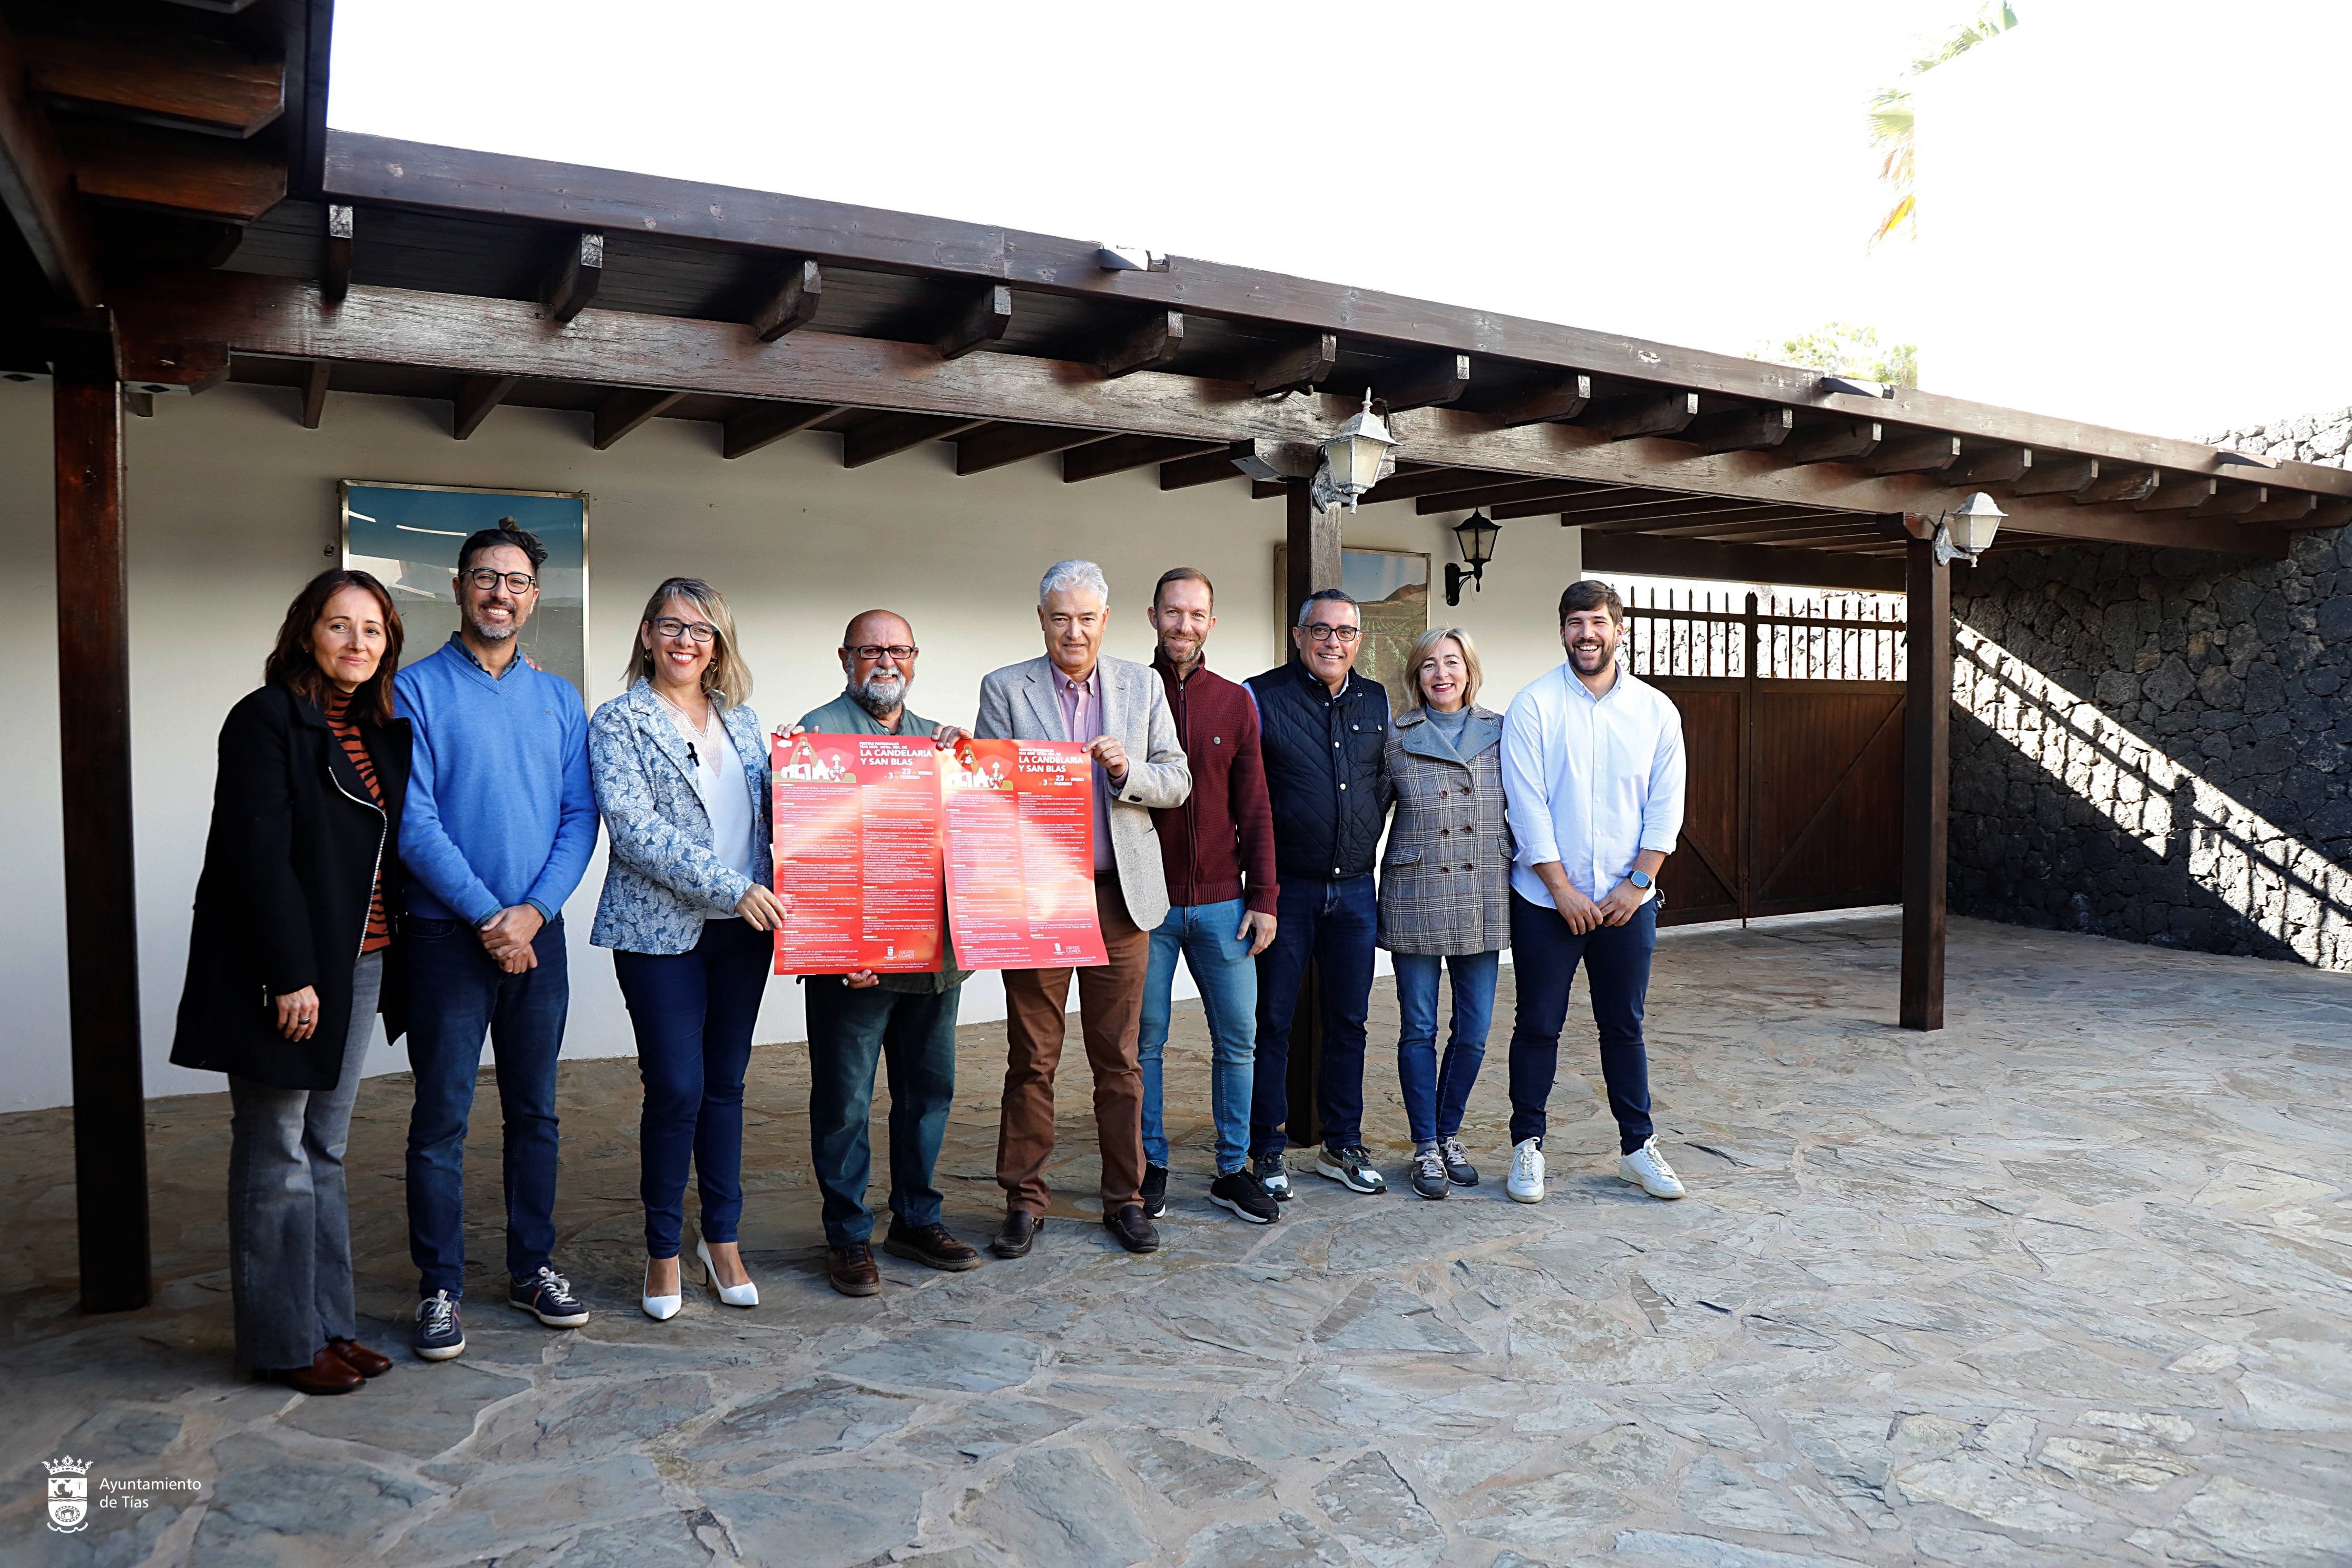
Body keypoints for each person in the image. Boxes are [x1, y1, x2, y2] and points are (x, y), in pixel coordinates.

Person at [171, 570, 411, 1394]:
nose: (357, 644)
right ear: (307, 631)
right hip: (294, 974)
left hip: (364, 964)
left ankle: (328, 1325)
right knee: (275, 1151)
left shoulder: (378, 729)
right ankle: (281, 1343)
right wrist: (290, 974)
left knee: (324, 1151)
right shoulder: (266, 718)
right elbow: (256, 854)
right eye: (340, 626)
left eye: (373, 630)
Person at [395, 520, 599, 1360]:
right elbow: (413, 822)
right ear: (458, 588)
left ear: (534, 597)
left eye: (516, 581)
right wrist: (491, 918)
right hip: (447, 940)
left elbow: (580, 815)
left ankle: (531, 1268)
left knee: (535, 1114)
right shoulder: (413, 690)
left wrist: (535, 915)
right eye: (486, 578)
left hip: (536, 940)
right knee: (441, 1119)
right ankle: (438, 1286)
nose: (500, 594)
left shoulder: (558, 699)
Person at [975, 560, 1190, 1258]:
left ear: (1106, 620)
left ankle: (1125, 1201)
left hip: (1119, 896)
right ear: (1042, 619)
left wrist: (1127, 770)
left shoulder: (1143, 684)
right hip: (1039, 897)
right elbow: (985, 791)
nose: (1074, 630)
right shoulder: (1006, 688)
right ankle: (1023, 1202)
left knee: (1119, 1060)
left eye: (1087, 617)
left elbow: (1177, 780)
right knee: (1032, 1059)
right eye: (1061, 616)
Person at [587, 578, 780, 1321]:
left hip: (743, 933)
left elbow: (787, 811)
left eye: (702, 631)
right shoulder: (619, 722)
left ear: (719, 646)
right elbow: (635, 833)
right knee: (676, 1088)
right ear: (645, 634)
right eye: (670, 626)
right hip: (659, 932)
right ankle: (663, 1248)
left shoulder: (749, 723)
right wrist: (730, 886)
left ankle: (721, 1239)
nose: (684, 641)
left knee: (725, 1085)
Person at [791, 611, 983, 1298]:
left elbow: (972, 838)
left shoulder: (940, 741)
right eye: (870, 649)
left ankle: (916, 1219)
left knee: (928, 1092)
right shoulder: (813, 739)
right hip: (855, 961)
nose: (885, 660)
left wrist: (973, 767)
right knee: (846, 1100)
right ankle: (847, 1235)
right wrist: (837, 940)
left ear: (915, 658)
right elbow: (803, 852)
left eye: (897, 649)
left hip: (934, 957)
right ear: (845, 657)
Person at [1499, 579, 1687, 1206]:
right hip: (1546, 904)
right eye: (1577, 622)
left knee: (1624, 1027)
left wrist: (1637, 884)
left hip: (1626, 903)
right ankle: (1528, 1146)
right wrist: (1562, 890)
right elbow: (1525, 806)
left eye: (1599, 621)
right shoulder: (1534, 706)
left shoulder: (1657, 711)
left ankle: (1638, 1148)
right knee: (1538, 1026)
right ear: (1562, 631)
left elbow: (1666, 806)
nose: (1588, 633)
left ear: (1619, 629)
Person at [1135, 568, 1281, 1224]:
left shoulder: (1234, 701)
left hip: (1225, 903)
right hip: (1145, 905)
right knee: (1145, 1042)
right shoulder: (1127, 695)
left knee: (1239, 1038)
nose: (1184, 626)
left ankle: (1231, 1169)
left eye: (1196, 615)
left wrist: (1265, 895)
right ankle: (1149, 1164)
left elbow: (1255, 806)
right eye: (1173, 613)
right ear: (1153, 617)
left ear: (1211, 624)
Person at [1247, 588, 1395, 1198]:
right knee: (1273, 1021)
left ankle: (1343, 1143)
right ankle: (1266, 1148)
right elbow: (1246, 791)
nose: (1334, 641)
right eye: (1322, 630)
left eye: (1346, 632)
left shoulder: (1376, 698)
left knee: (1350, 1021)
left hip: (1356, 890)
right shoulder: (1261, 696)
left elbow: (1384, 778)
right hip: (1287, 893)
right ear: (1299, 635)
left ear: (1358, 640)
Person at [1378, 627, 1512, 1200]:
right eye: (1429, 665)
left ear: (1469, 670)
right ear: (1416, 675)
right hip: (1416, 890)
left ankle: (1449, 1130)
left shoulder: (1503, 732)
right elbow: (1365, 812)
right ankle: (1426, 1145)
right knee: (1419, 1027)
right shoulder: (1396, 737)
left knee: (1476, 1030)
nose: (1441, 674)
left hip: (1483, 889)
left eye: (1452, 662)